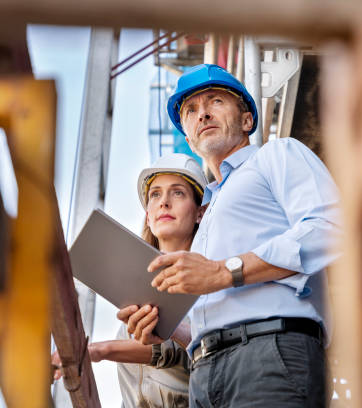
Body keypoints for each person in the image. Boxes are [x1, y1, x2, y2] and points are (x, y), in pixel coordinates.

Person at [119, 64, 341, 407]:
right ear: (190, 140)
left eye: (216, 101)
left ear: (247, 121)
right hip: (205, 374)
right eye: (190, 110)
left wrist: (225, 271)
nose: (202, 113)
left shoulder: (276, 155)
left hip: (270, 354)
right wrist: (167, 330)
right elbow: (217, 314)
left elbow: (330, 227)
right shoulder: (207, 216)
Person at [53, 153, 208, 408]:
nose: (164, 203)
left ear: (200, 213)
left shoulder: (210, 281)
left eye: (178, 193)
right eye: (155, 194)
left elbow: (189, 350)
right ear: (148, 216)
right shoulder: (134, 293)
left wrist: (99, 351)